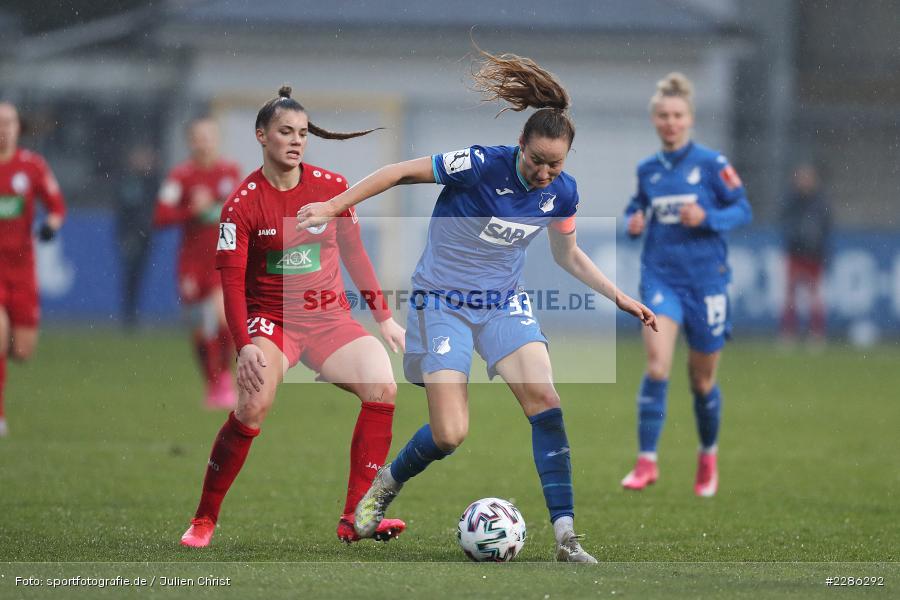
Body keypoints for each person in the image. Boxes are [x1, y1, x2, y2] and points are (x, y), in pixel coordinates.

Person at [297, 48, 657, 563]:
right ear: (520, 147)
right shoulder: (480, 165)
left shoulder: (562, 193)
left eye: (555, 164)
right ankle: (383, 487)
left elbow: (569, 255)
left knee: (546, 403)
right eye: (536, 160)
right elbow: (399, 171)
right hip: (442, 302)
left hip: (504, 305)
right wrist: (335, 206)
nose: (543, 172)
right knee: (450, 433)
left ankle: (566, 538)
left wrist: (621, 297)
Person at [180, 86, 407, 547]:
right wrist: (244, 347)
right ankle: (204, 519)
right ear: (262, 136)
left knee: (383, 384)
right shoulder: (242, 205)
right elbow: (230, 286)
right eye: (286, 131)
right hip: (271, 322)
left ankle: (356, 516)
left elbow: (356, 255)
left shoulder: (332, 187)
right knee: (252, 405)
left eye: (303, 133)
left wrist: (384, 318)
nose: (296, 140)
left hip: (328, 319)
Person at [620, 73, 752, 497]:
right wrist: (633, 224)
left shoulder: (713, 165)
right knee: (657, 365)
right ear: (654, 120)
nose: (670, 122)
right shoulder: (648, 170)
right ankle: (646, 461)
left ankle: (707, 455)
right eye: (662, 116)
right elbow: (635, 211)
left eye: (677, 115)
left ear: (689, 118)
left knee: (701, 382)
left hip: (706, 283)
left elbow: (743, 209)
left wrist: (709, 219)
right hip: (662, 279)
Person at [154, 118, 241, 409]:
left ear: (217, 140)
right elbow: (161, 216)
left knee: (222, 316)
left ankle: (225, 378)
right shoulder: (180, 177)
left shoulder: (230, 172)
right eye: (198, 138)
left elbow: (241, 213)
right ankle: (211, 382)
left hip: (221, 260)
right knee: (200, 331)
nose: (204, 142)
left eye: (209, 137)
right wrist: (192, 209)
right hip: (191, 265)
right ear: (191, 142)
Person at [0, 101, 66, 437]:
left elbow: (56, 206)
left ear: (18, 127)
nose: (4, 128)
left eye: (9, 122)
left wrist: (51, 225)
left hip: (22, 268)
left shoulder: (32, 166)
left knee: (22, 351)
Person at [779, 163, 830, 345]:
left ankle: (816, 333)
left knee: (815, 297)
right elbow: (786, 223)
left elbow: (826, 229)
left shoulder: (819, 203)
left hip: (814, 254)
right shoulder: (792, 202)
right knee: (791, 295)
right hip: (795, 252)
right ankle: (789, 332)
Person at [116, 144, 157, 330]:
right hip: (132, 235)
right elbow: (124, 210)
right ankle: (129, 315)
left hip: (146, 235)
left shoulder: (151, 181)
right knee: (131, 274)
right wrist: (125, 235)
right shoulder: (129, 181)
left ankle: (133, 313)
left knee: (139, 274)